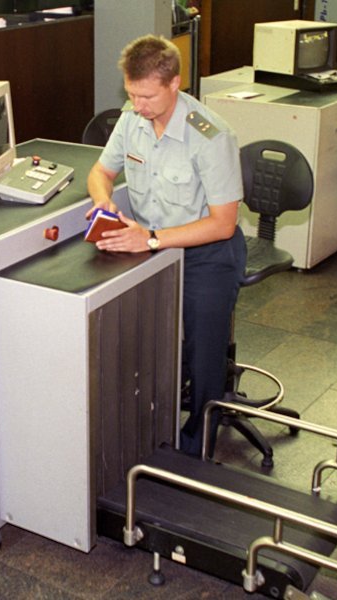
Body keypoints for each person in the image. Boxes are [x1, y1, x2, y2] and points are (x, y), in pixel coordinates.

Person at [86, 35, 247, 455]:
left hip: (206, 255)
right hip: (154, 251)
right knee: (149, 342)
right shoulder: (131, 120)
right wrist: (103, 202)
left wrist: (152, 239)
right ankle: (153, 423)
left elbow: (223, 224)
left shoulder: (210, 135)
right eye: (131, 94)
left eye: (147, 96)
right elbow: (100, 172)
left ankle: (200, 442)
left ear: (175, 83)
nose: (137, 105)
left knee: (202, 356)